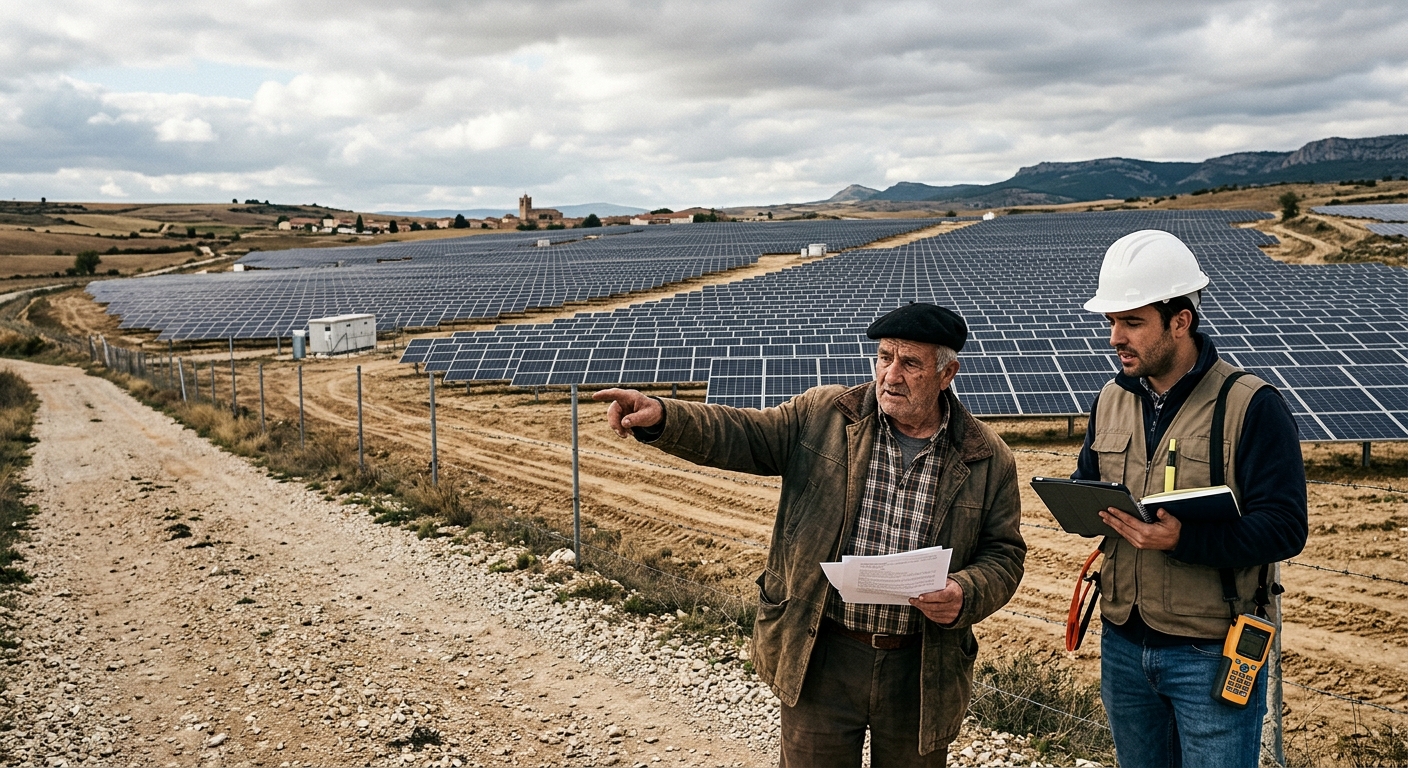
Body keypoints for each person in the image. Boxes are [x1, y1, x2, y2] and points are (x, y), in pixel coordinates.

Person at [594, 303, 1025, 767]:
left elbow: (1004, 554)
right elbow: (740, 434)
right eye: (884, 357)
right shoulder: (824, 416)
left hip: (921, 668)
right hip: (823, 652)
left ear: (947, 373)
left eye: (910, 363)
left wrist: (965, 591)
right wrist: (665, 417)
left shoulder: (987, 457)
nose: (891, 375)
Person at [1072, 229, 1308, 768]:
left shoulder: (1251, 404)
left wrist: (1185, 538)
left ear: (1181, 320)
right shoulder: (1110, 398)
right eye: (1112, 322)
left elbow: (1285, 527)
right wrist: (1083, 505)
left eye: (1132, 322)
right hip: (1123, 644)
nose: (1115, 338)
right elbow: (1089, 476)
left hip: (1210, 649)